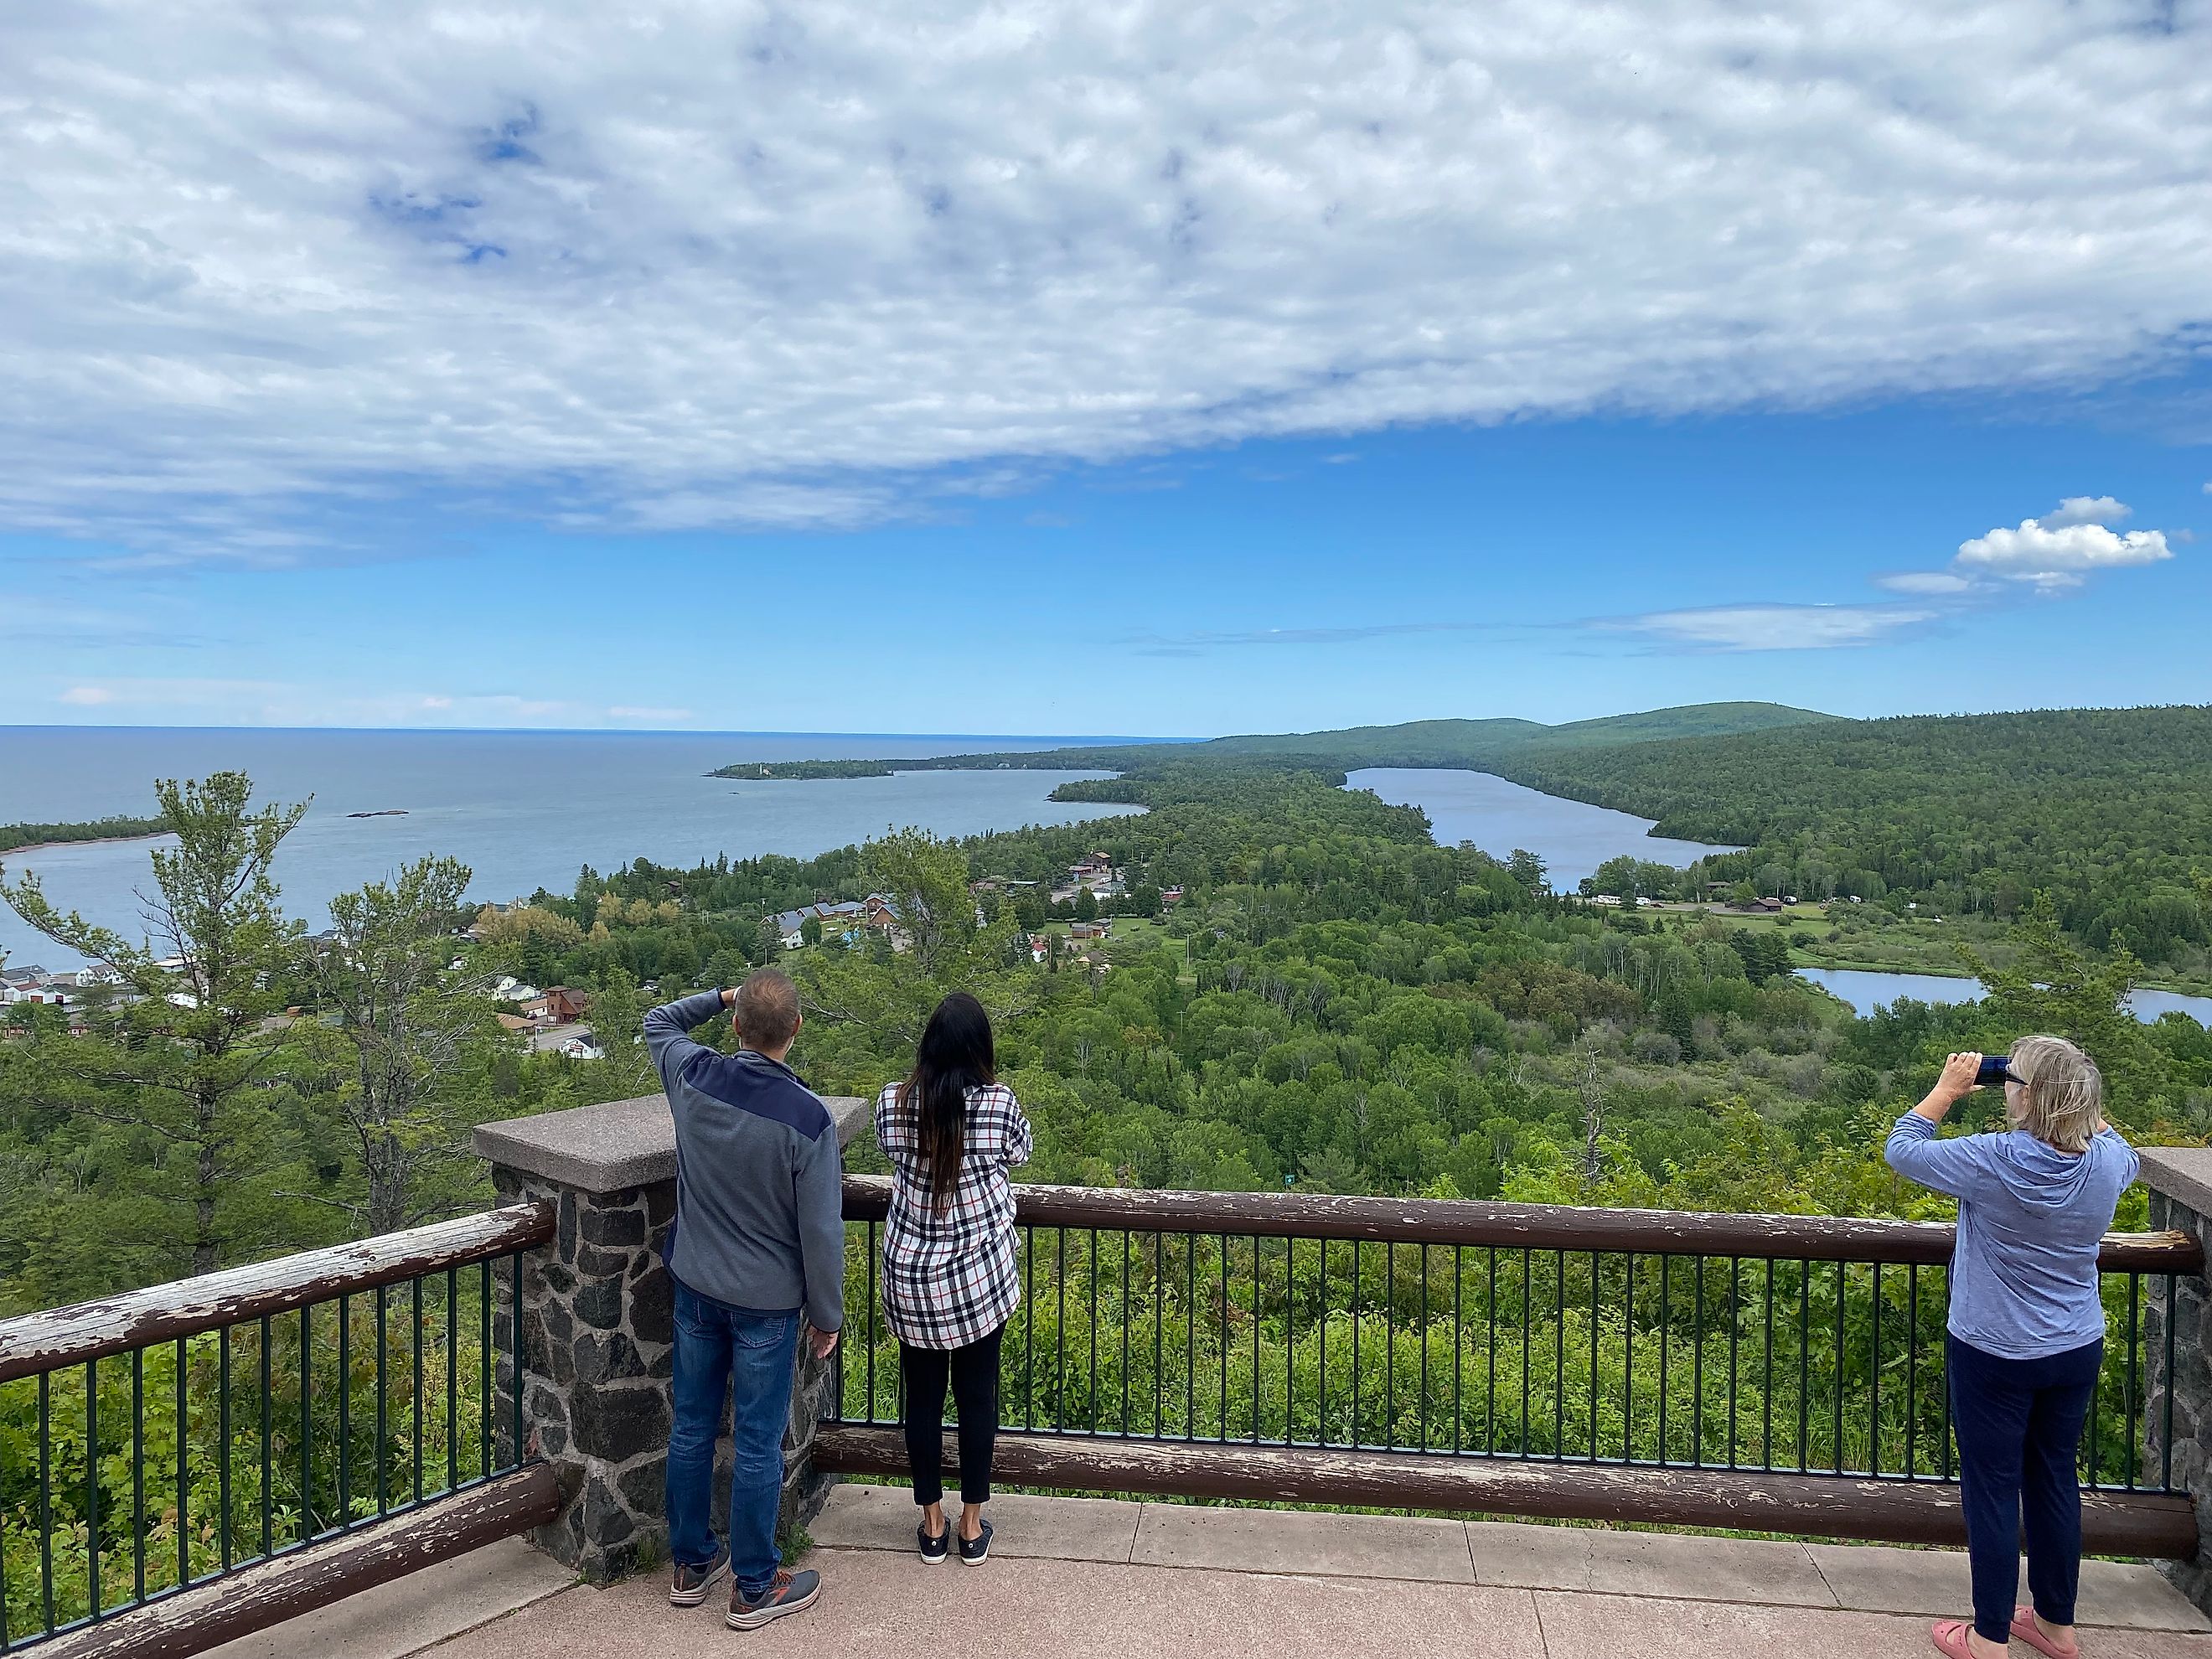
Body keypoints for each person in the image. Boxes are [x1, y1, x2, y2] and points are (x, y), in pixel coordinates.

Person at [1885, 1037, 2138, 1659]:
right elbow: (2116, 1143)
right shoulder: (2107, 1162)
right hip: (2075, 1344)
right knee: (2054, 1479)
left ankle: (1989, 1637)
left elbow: (1903, 1149)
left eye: (2013, 1080)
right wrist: (2074, 1083)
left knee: (1994, 1486)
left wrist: (1947, 1092)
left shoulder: (1993, 1158)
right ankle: (2055, 1625)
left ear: (2025, 1096)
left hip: (1993, 1349)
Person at [643, 969, 843, 1631]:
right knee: (758, 1442)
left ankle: (691, 1563)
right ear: (796, 1030)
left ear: (734, 1027)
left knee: (692, 1426)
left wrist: (722, 995)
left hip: (696, 1286)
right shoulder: (808, 1120)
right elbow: (820, 1231)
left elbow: (657, 1021)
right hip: (766, 1302)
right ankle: (755, 1585)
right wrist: (827, 1315)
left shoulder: (694, 1077)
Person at [874, 991, 1033, 1565]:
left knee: (921, 1400)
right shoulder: (997, 1104)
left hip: (912, 1278)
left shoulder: (894, 1103)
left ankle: (932, 1525)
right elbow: (1020, 1152)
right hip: (976, 1278)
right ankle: (971, 1526)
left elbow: (891, 1150)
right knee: (976, 1399)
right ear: (979, 1049)